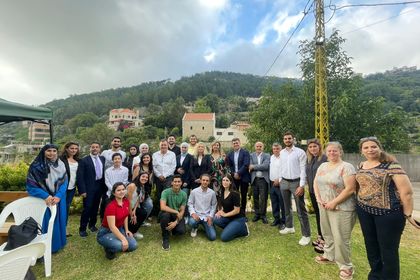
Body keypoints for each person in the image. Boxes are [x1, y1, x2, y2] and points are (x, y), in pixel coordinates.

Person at [356, 137, 414, 280]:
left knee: (388, 251)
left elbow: (406, 193)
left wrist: (408, 215)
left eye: (373, 146)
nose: (370, 149)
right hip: (364, 211)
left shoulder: (391, 166)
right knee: (371, 247)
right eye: (366, 147)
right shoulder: (361, 165)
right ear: (362, 151)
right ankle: (375, 276)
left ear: (379, 148)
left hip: (388, 215)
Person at [313, 142, 356, 280]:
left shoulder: (347, 167)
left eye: (335, 151)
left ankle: (346, 266)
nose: (332, 153)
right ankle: (329, 256)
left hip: (341, 208)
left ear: (340, 152)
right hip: (324, 205)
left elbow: (350, 189)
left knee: (341, 238)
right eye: (329, 151)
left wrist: (334, 202)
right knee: (327, 233)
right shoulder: (323, 165)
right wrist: (318, 198)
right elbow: (315, 182)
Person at [26, 144, 68, 253]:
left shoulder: (61, 164)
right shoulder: (36, 166)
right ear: (44, 152)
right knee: (45, 222)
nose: (52, 153)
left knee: (58, 221)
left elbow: (65, 182)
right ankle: (44, 247)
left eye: (54, 151)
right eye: (49, 150)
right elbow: (31, 185)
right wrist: (46, 196)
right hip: (43, 200)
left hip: (58, 200)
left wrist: (58, 196)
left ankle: (57, 244)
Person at [278, 131, 311, 246]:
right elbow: (280, 166)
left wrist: (301, 185)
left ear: (293, 139)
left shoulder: (300, 152)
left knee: (301, 210)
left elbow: (303, 169)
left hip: (296, 183)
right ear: (283, 140)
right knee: (287, 207)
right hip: (284, 182)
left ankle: (306, 235)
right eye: (285, 139)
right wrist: (280, 178)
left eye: (289, 138)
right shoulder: (281, 153)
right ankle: (289, 227)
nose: (287, 140)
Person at [97, 182, 137, 260]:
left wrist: (127, 230)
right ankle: (108, 248)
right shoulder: (111, 206)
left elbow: (125, 216)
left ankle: (115, 242)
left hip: (119, 229)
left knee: (133, 245)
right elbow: (112, 227)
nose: (121, 192)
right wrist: (123, 239)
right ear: (114, 193)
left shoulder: (126, 202)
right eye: (118, 190)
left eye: (123, 189)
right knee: (120, 245)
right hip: (106, 232)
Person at [77, 141, 106, 237]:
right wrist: (82, 191)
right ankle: (82, 229)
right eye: (93, 147)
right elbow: (80, 177)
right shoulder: (84, 160)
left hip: (99, 186)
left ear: (99, 149)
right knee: (87, 208)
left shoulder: (102, 159)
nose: (95, 149)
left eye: (97, 147)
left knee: (95, 207)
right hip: (88, 187)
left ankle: (92, 225)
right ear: (90, 148)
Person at [305, 138, 328, 252]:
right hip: (313, 192)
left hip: (323, 192)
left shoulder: (324, 158)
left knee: (324, 217)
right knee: (319, 215)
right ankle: (320, 237)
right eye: (310, 147)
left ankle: (325, 241)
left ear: (319, 147)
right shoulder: (311, 159)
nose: (312, 149)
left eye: (315, 146)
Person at [214, 175, 250, 242]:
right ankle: (231, 228)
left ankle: (244, 229)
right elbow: (222, 206)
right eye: (223, 180)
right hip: (229, 218)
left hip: (238, 218)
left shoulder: (235, 194)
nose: (225, 182)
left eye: (227, 180)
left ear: (230, 182)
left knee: (224, 238)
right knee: (215, 219)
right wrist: (220, 211)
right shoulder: (222, 192)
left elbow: (237, 211)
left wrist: (224, 215)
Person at [159, 175, 187, 250]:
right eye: (175, 181)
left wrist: (176, 222)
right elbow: (163, 207)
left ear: (181, 183)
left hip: (176, 216)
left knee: (181, 231)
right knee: (165, 216)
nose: (177, 183)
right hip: (166, 213)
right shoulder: (165, 192)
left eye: (179, 182)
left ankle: (172, 228)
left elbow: (182, 211)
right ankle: (165, 238)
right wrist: (175, 211)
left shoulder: (184, 194)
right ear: (172, 183)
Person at [188, 174, 217, 241]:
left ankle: (207, 226)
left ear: (209, 182)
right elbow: (190, 203)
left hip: (206, 216)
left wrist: (210, 216)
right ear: (200, 181)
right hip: (196, 215)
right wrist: (193, 213)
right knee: (192, 222)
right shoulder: (194, 191)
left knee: (212, 237)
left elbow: (214, 205)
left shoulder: (212, 193)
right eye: (203, 180)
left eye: (207, 180)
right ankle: (195, 227)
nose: (205, 182)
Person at [60, 141, 80, 236]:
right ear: (67, 149)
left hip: (71, 188)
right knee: (59, 208)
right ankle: (56, 228)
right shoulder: (61, 160)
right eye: (72, 148)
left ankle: (64, 228)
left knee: (66, 208)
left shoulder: (78, 161)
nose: (74, 150)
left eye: (76, 148)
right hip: (61, 189)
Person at [226, 138, 251, 215]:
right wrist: (234, 174)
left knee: (243, 195)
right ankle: (235, 211)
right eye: (234, 143)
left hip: (244, 177)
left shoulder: (245, 152)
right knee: (235, 195)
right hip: (234, 178)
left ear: (240, 143)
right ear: (232, 145)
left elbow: (246, 164)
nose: (235, 144)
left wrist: (239, 173)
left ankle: (243, 212)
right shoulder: (230, 154)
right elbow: (229, 165)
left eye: (237, 143)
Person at [101, 153, 129, 219]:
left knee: (120, 211)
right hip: (110, 194)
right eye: (115, 159)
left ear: (121, 160)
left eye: (118, 158)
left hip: (121, 194)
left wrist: (119, 190)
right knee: (110, 211)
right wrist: (114, 191)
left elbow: (125, 181)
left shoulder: (125, 170)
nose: (117, 160)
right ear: (112, 160)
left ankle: (119, 224)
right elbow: (107, 182)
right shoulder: (107, 171)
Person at [249, 141, 270, 224]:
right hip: (254, 179)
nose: (258, 148)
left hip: (263, 180)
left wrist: (254, 166)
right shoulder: (251, 155)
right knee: (255, 198)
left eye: (260, 146)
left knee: (263, 198)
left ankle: (263, 215)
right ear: (255, 147)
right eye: (257, 146)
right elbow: (249, 165)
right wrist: (253, 167)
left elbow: (265, 166)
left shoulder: (267, 155)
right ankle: (257, 214)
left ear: (263, 147)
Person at [153, 139, 177, 204]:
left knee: (166, 193)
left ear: (167, 145)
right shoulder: (155, 155)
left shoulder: (172, 154)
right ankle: (159, 210)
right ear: (159, 146)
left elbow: (173, 166)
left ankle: (166, 210)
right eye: (162, 145)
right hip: (158, 178)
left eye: (165, 145)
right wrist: (159, 175)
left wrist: (164, 175)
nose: (163, 146)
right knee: (158, 194)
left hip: (168, 178)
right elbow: (153, 166)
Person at [126, 172, 149, 240]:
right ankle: (128, 232)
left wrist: (134, 210)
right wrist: (131, 214)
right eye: (143, 176)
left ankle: (133, 231)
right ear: (139, 177)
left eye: (146, 177)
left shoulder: (142, 186)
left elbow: (138, 200)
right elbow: (128, 201)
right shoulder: (132, 186)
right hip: (126, 207)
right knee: (132, 218)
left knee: (143, 213)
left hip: (133, 207)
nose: (145, 178)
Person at [269, 143, 286, 229]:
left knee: (282, 203)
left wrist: (279, 179)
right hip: (272, 183)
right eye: (274, 149)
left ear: (281, 149)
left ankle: (283, 222)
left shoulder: (284, 158)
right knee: (274, 202)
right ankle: (276, 219)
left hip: (280, 183)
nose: (276, 150)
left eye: (277, 149)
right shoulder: (271, 157)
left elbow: (285, 170)